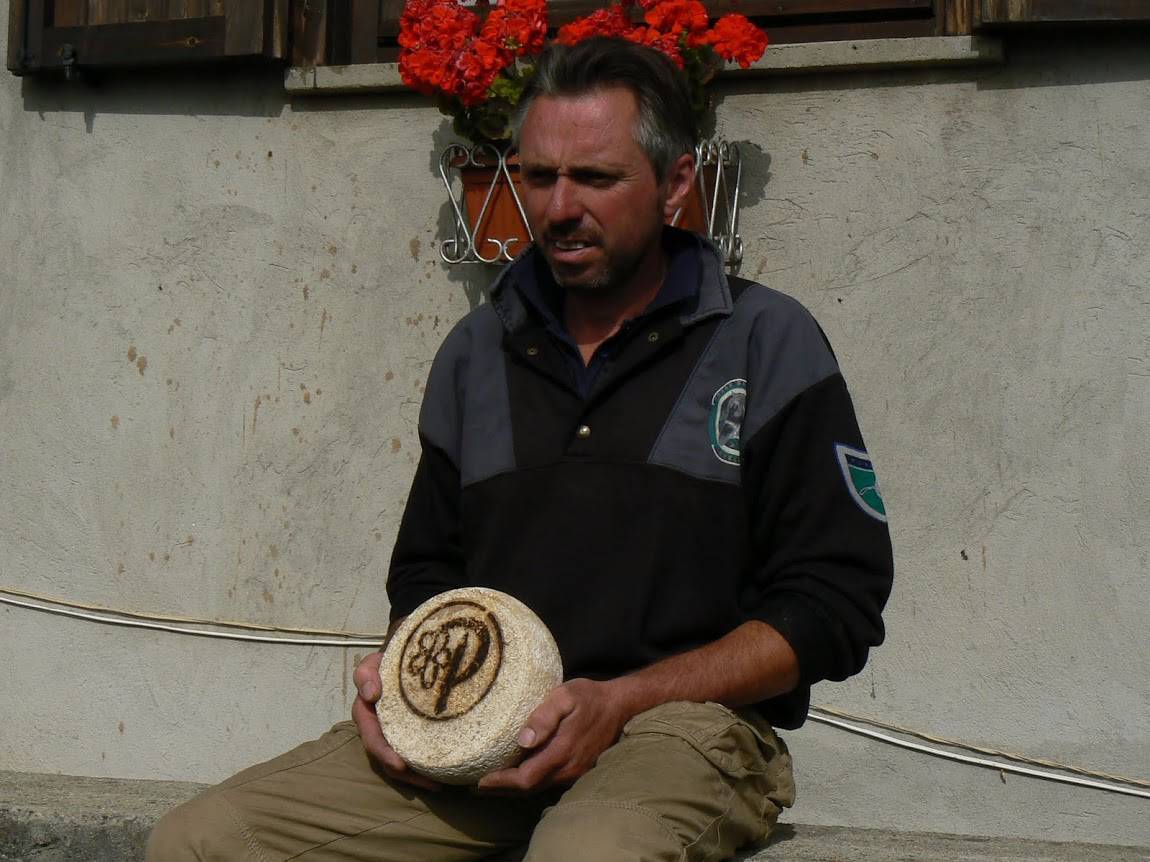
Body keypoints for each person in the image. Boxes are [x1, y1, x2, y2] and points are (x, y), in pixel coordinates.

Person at [147, 36, 893, 862]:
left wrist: (619, 700)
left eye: (597, 178)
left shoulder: (766, 339)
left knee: (584, 856)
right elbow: (427, 578)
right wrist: (397, 687)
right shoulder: (475, 351)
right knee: (200, 842)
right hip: (484, 731)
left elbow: (834, 603)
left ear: (678, 183)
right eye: (539, 176)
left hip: (682, 733)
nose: (559, 207)